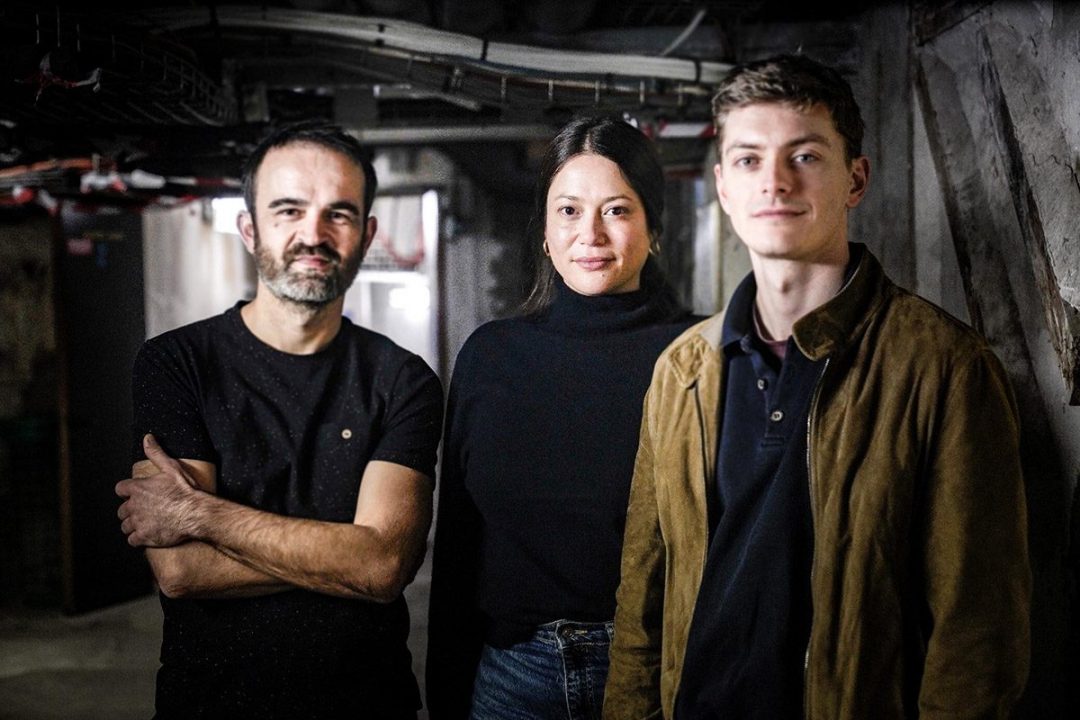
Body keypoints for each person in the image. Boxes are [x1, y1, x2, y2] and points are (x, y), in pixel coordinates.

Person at [603, 54, 1031, 719]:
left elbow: (978, 630)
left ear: (855, 178)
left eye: (804, 157)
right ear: (722, 185)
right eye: (748, 160)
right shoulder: (681, 372)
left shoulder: (942, 367)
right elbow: (642, 598)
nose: (773, 182)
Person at [114, 119, 443, 719]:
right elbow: (182, 569)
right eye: (288, 210)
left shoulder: (404, 380)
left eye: (338, 214)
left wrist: (200, 513)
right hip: (210, 704)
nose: (312, 234)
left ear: (367, 234)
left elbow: (384, 567)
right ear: (249, 227)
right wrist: (344, 553)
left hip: (367, 704)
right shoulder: (176, 363)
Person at [426, 115, 699, 720]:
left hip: (659, 673)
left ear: (654, 227)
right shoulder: (492, 357)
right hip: (515, 676)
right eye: (570, 211)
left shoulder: (697, 357)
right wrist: (446, 694)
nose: (591, 234)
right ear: (546, 233)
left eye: (617, 210)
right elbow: (460, 544)